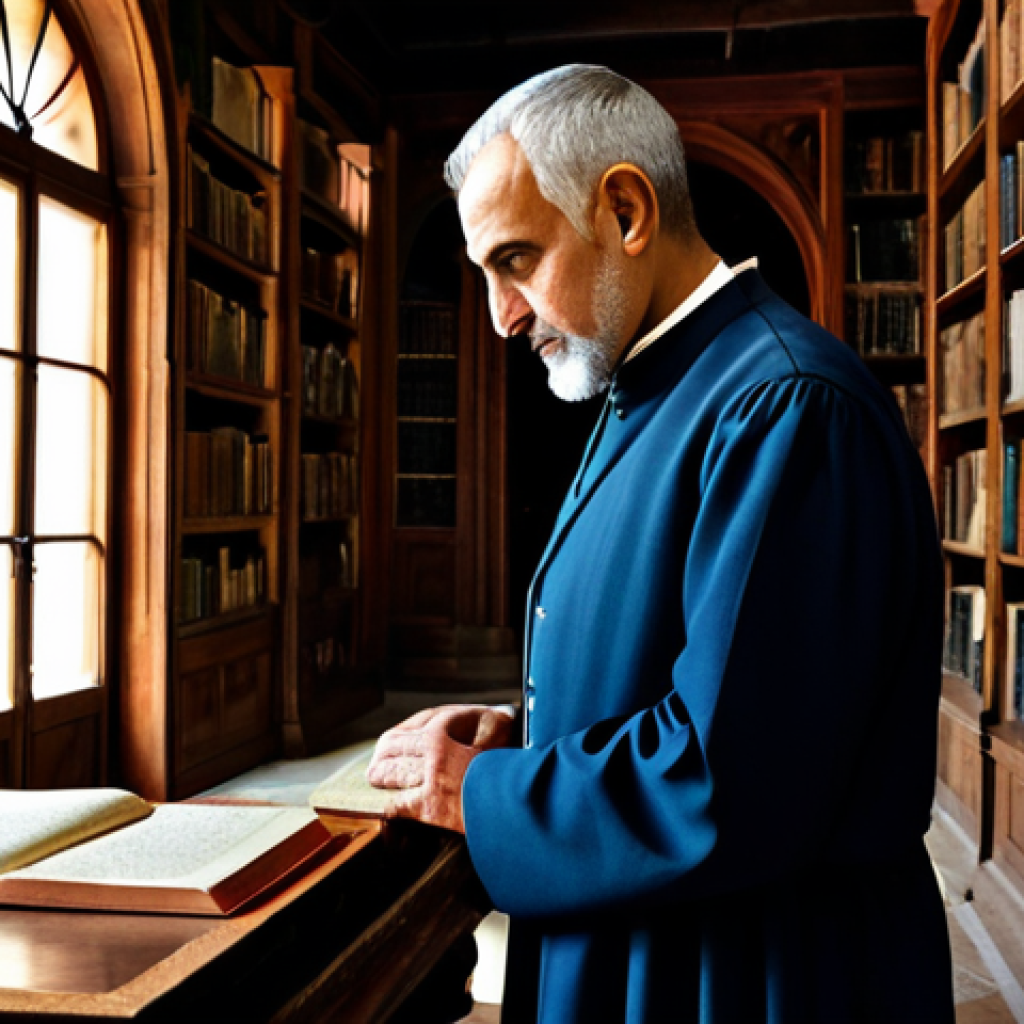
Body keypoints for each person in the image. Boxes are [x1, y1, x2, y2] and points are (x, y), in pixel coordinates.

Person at [368, 64, 955, 1023]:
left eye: (516, 260)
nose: (501, 315)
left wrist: (490, 796)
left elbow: (734, 777)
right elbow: (694, 681)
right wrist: (530, 739)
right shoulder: (655, 387)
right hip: (662, 944)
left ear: (627, 210)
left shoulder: (784, 407)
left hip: (749, 974)